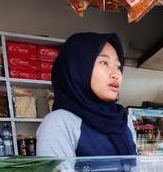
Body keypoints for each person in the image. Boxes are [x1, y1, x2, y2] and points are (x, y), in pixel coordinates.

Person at [36, 32, 137, 162]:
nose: (116, 74)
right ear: (78, 67)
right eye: (104, 63)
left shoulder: (123, 119)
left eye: (118, 66)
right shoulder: (59, 123)